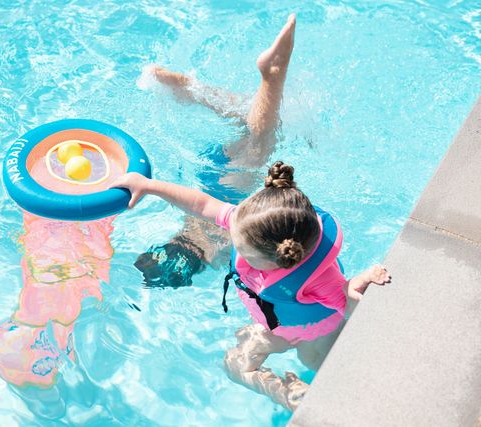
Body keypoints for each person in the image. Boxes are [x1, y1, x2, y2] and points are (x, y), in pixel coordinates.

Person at [111, 161, 391, 411]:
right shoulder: (251, 226)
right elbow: (202, 205)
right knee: (239, 357)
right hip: (278, 324)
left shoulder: (318, 280)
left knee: (314, 368)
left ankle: (294, 397)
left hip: (311, 332)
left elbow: (349, 307)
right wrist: (148, 186)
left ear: (278, 261)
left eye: (241, 249)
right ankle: (292, 390)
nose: (230, 240)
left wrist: (355, 288)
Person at [134, 14, 301, 288]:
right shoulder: (185, 234)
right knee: (247, 124)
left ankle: (272, 74)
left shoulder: (217, 254)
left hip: (229, 188)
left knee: (262, 137)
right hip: (207, 176)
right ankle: (192, 90)